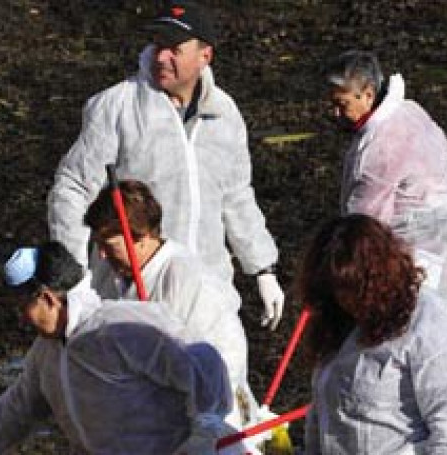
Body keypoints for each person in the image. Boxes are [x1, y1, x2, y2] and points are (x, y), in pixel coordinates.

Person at [47, 0, 285, 330]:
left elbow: (236, 196)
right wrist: (74, 277)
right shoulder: (117, 106)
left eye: (174, 48)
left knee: (217, 375)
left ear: (205, 55)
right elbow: (73, 188)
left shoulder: (225, 115)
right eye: (158, 45)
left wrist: (262, 269)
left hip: (207, 293)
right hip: (131, 295)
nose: (161, 57)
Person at [0, 241, 244, 454]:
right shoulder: (46, 354)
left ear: (48, 298)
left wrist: (207, 430)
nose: (21, 317)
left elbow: (200, 359)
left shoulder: (118, 327)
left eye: (24, 306)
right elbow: (16, 410)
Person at [297, 214, 447, 454]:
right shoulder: (337, 324)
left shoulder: (429, 322)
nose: (345, 300)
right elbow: (323, 413)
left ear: (377, 278)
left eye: (352, 288)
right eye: (336, 290)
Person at [84, 179, 257, 427]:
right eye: (98, 245)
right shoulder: (113, 274)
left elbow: (227, 357)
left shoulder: (188, 279)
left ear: (141, 237)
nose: (101, 255)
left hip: (202, 428)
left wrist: (204, 426)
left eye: (108, 245)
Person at [325, 50, 447, 301]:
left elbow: (364, 222)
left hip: (427, 242)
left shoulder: (381, 146)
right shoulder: (408, 110)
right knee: (436, 313)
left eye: (342, 105)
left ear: (368, 95)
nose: (336, 114)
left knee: (410, 316)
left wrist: (335, 263)